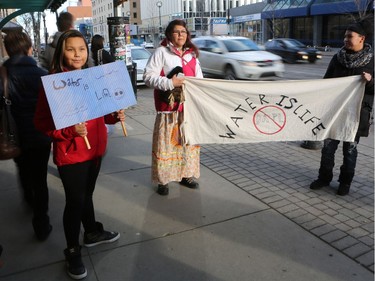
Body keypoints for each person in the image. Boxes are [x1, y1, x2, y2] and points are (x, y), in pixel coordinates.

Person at [34, 30, 125, 280]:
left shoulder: (92, 78)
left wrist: (113, 116)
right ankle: (72, 249)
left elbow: (101, 111)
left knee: (87, 195)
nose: (77, 54)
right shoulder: (53, 83)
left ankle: (92, 232)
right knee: (75, 202)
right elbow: (41, 123)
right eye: (71, 49)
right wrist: (68, 132)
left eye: (81, 49)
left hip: (95, 150)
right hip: (71, 154)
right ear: (61, 52)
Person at [310, 18, 374, 196]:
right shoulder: (338, 58)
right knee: (328, 148)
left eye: (349, 36)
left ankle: (345, 183)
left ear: (362, 38)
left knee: (350, 151)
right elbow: (327, 83)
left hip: (356, 115)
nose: (345, 39)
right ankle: (324, 178)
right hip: (335, 113)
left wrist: (369, 82)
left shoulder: (372, 61)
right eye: (345, 36)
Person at [143, 19, 203, 196]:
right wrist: (170, 82)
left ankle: (186, 175)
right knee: (166, 146)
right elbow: (148, 77)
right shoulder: (161, 52)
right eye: (177, 32)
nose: (180, 35)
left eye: (183, 32)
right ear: (169, 34)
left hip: (188, 110)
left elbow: (199, 80)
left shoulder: (192, 55)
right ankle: (163, 179)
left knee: (187, 144)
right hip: (168, 110)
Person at [2, 31, 52, 241]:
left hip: (14, 135)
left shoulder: (2, 75)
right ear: (29, 48)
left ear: (7, 50)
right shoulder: (42, 75)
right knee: (40, 178)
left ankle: (28, 200)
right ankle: (41, 224)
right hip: (40, 135)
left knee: (22, 168)